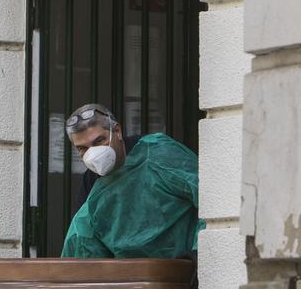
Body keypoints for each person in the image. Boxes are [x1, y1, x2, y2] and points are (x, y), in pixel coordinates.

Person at [61, 103, 204, 259]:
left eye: (99, 141)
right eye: (82, 148)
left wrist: (198, 255)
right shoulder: (91, 182)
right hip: (131, 275)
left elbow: (211, 197)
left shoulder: (158, 153)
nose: (92, 154)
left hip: (185, 270)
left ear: (117, 131)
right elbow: (83, 243)